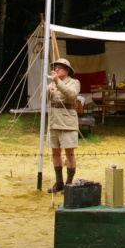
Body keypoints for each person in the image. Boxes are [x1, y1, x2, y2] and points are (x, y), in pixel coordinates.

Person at [45, 58, 81, 193]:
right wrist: (47, 92)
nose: (56, 69)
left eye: (60, 67)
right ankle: (59, 182)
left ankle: (69, 184)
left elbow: (71, 95)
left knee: (69, 153)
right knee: (55, 153)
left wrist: (57, 82)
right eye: (55, 67)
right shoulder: (52, 83)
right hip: (54, 122)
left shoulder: (74, 82)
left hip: (67, 123)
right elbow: (41, 101)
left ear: (67, 71)